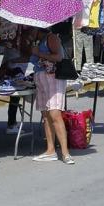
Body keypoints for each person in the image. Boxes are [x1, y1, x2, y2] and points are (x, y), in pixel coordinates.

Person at [30, 27, 74, 165]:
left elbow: (58, 57)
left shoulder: (51, 38)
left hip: (53, 78)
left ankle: (65, 153)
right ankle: (50, 150)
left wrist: (39, 54)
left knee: (55, 114)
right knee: (46, 115)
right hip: (41, 78)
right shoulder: (38, 41)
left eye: (30, 30)